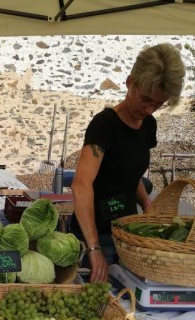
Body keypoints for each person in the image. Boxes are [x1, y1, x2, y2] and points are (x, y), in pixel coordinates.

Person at [70, 43, 186, 282]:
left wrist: (146, 202)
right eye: (146, 99)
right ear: (130, 82)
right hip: (95, 234)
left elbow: (130, 175)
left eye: (158, 104)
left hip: (128, 234)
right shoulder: (104, 125)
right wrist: (93, 249)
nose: (150, 108)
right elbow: (81, 184)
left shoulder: (149, 126)